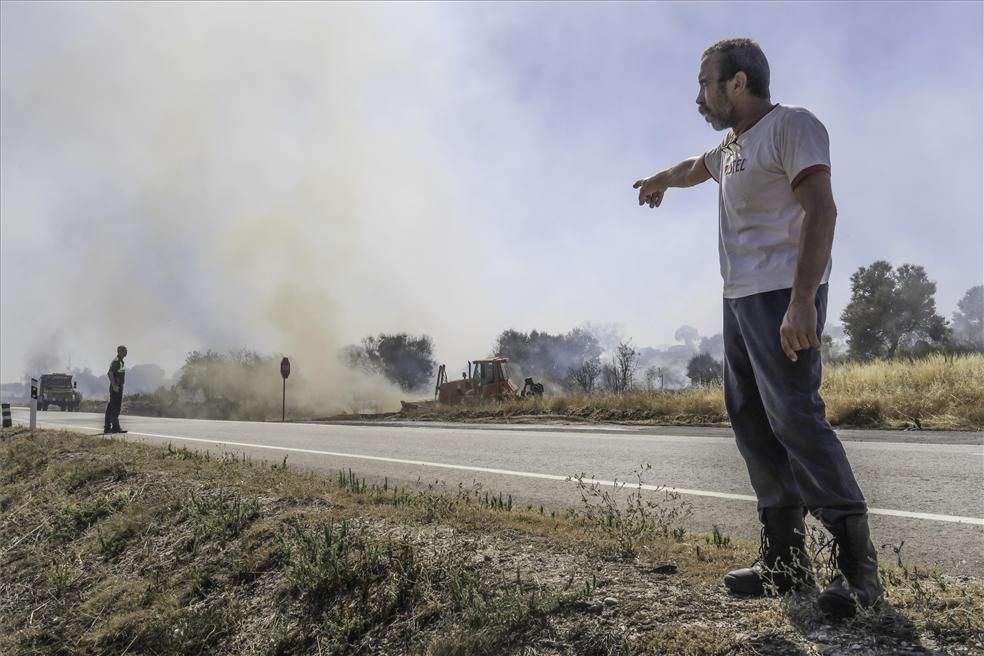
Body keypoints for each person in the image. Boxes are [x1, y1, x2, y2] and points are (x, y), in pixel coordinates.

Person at [632, 38, 881, 617]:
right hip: (740, 301)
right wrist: (660, 179)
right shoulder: (733, 148)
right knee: (752, 423)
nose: (698, 95)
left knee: (796, 419)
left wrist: (801, 304)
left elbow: (822, 209)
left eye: (705, 83)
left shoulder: (792, 127)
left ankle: (859, 574)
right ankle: (785, 563)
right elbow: (696, 166)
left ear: (737, 83)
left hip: (782, 298)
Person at [104, 345, 128, 434]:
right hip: (116, 387)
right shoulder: (117, 361)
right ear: (119, 351)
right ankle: (115, 427)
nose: (126, 352)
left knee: (111, 407)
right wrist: (114, 385)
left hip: (118, 386)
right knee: (115, 408)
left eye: (126, 350)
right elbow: (110, 373)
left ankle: (107, 427)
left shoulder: (120, 361)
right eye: (124, 350)